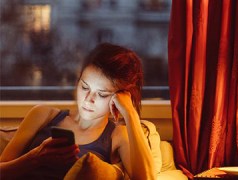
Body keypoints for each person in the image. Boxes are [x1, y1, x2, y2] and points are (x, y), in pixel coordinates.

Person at [0, 43, 155, 179]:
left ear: (120, 98)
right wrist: (35, 157)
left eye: (101, 94)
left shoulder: (117, 135)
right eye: (85, 87)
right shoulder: (43, 115)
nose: (88, 99)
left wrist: (130, 113)